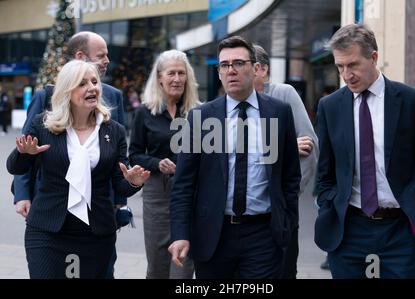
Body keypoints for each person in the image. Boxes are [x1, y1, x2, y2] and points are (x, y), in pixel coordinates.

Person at [314, 23, 415, 279]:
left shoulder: (412, 102)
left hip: (400, 231)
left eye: (353, 65)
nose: (346, 74)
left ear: (373, 57)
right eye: (340, 67)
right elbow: (325, 172)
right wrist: (330, 207)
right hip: (349, 231)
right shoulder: (330, 106)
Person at [168, 36, 301, 279]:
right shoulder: (201, 118)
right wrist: (180, 233)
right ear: (219, 72)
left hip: (264, 234)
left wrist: (287, 224)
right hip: (213, 235)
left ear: (255, 68)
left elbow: (291, 177)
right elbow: (183, 184)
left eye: (238, 63)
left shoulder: (279, 112)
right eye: (224, 65)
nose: (231, 71)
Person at [6, 60, 150, 278]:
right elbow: (15, 167)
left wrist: (133, 181)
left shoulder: (115, 131)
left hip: (96, 234)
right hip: (47, 231)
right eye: (82, 84)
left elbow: (119, 184)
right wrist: (25, 153)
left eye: (94, 81)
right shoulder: (43, 125)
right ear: (67, 91)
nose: (92, 87)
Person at [129, 49, 198, 279]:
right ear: (159, 77)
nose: (177, 79)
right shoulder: (145, 113)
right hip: (157, 193)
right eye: (171, 73)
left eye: (181, 73)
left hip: (190, 194)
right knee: (157, 265)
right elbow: (135, 154)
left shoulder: (199, 112)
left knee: (183, 268)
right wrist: (157, 163)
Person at [253, 44, 318, 278]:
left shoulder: (284, 94)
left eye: (243, 65)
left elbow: (309, 144)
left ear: (261, 69)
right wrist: (287, 146)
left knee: (284, 269)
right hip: (247, 211)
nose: (235, 72)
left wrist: (289, 194)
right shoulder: (232, 104)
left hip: (281, 207)